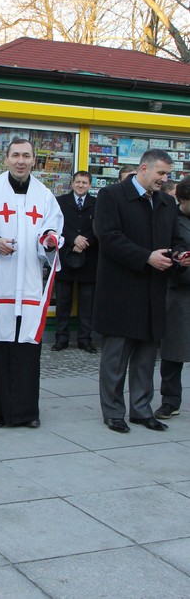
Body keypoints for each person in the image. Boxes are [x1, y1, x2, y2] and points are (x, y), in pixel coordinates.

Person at [0, 137, 63, 429]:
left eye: (26, 156)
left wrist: (48, 240)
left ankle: (26, 411)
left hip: (29, 284)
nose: (21, 161)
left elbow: (53, 229)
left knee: (26, 349)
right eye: (15, 155)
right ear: (5, 159)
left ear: (35, 160)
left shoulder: (45, 196)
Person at [94, 149, 189, 433]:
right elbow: (109, 238)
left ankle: (141, 410)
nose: (165, 179)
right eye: (161, 173)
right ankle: (113, 412)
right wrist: (146, 256)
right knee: (116, 358)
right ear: (143, 169)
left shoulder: (165, 203)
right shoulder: (111, 196)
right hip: (120, 291)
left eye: (168, 174)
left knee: (146, 358)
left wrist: (180, 255)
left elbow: (174, 239)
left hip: (153, 291)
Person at [154, 176, 190, 419]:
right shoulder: (171, 219)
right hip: (179, 292)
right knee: (174, 351)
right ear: (183, 199)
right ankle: (170, 400)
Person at [52, 171, 98, 353]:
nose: (80, 185)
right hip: (66, 258)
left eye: (84, 182)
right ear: (72, 183)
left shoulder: (97, 203)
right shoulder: (60, 202)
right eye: (78, 182)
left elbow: (101, 226)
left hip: (89, 258)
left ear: (90, 185)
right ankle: (61, 339)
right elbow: (56, 224)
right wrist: (73, 239)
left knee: (87, 304)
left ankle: (85, 339)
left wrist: (85, 241)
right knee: (63, 302)